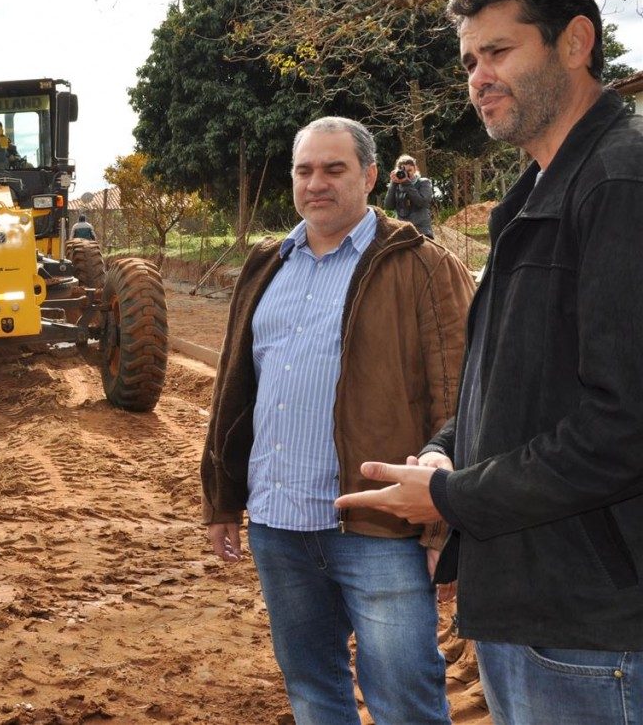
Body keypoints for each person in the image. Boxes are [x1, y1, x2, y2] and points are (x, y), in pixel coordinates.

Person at [335, 0, 643, 724]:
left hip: (592, 628)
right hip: (533, 606)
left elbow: (626, 425)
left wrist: (448, 496)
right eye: (470, 61)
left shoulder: (619, 183)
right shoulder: (534, 195)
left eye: (499, 52)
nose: (478, 76)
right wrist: (446, 447)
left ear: (576, 43)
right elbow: (510, 384)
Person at [201, 116, 474, 724]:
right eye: (304, 170)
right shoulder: (267, 264)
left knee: (405, 702)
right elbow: (233, 389)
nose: (315, 183)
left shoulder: (423, 265)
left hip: (381, 529)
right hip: (279, 525)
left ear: (371, 176)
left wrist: (444, 523)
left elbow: (458, 400)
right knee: (313, 692)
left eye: (334, 168)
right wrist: (223, 497)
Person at [384, 154, 435, 238]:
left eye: (409, 170)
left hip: (421, 231)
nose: (407, 173)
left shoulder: (423, 182)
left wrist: (406, 183)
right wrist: (393, 183)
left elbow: (422, 202)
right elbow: (388, 206)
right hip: (402, 231)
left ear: (415, 169)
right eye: (403, 170)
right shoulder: (396, 186)